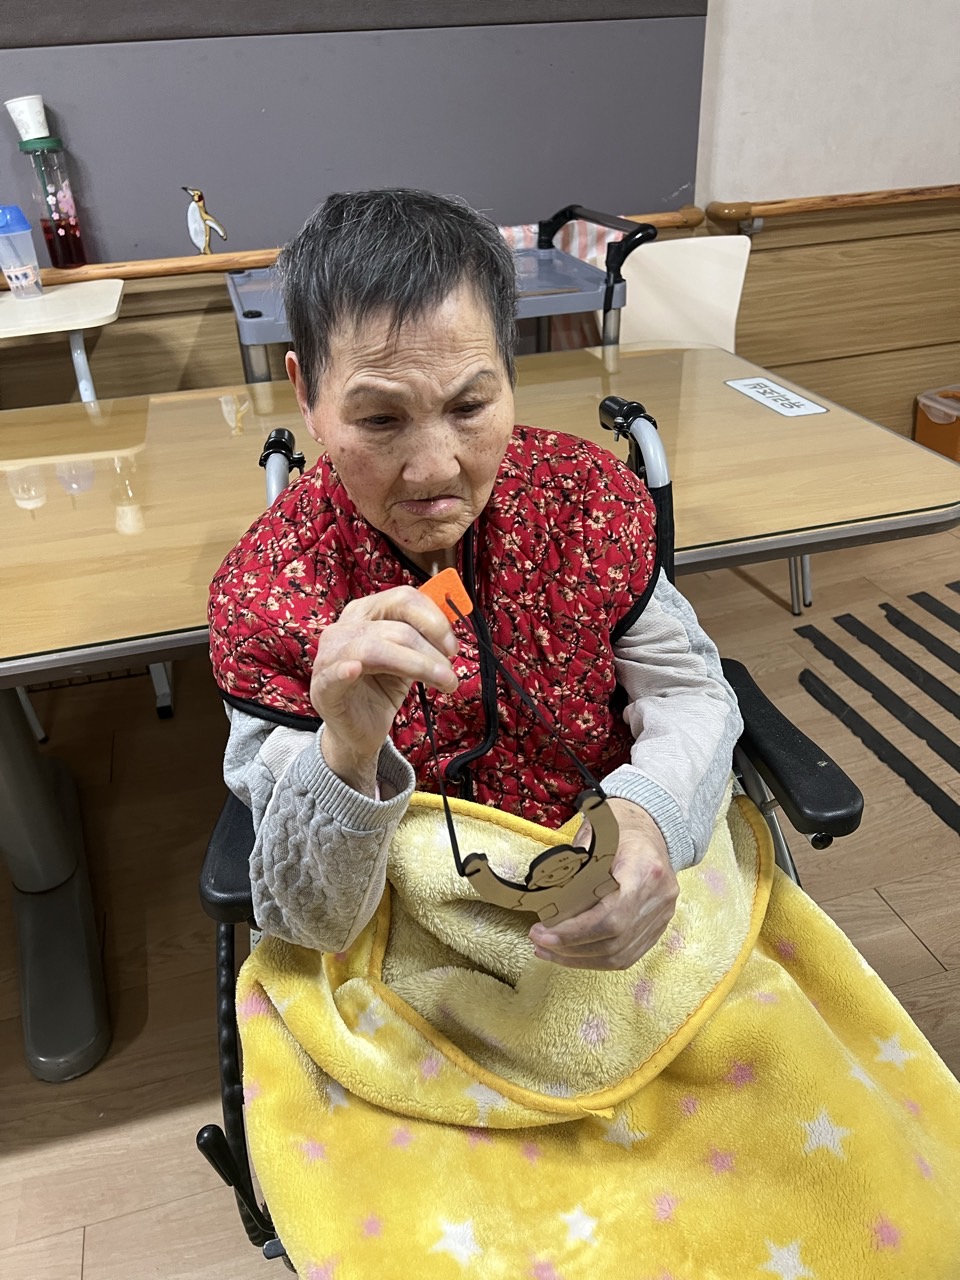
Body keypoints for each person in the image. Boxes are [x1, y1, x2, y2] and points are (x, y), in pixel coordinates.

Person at [208, 187, 742, 972]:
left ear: (509, 376)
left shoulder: (584, 501)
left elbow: (686, 690)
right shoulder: (269, 596)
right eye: (380, 419)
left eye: (470, 405)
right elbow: (311, 917)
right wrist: (346, 752)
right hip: (400, 928)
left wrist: (649, 816)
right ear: (306, 393)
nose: (434, 470)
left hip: (607, 869)